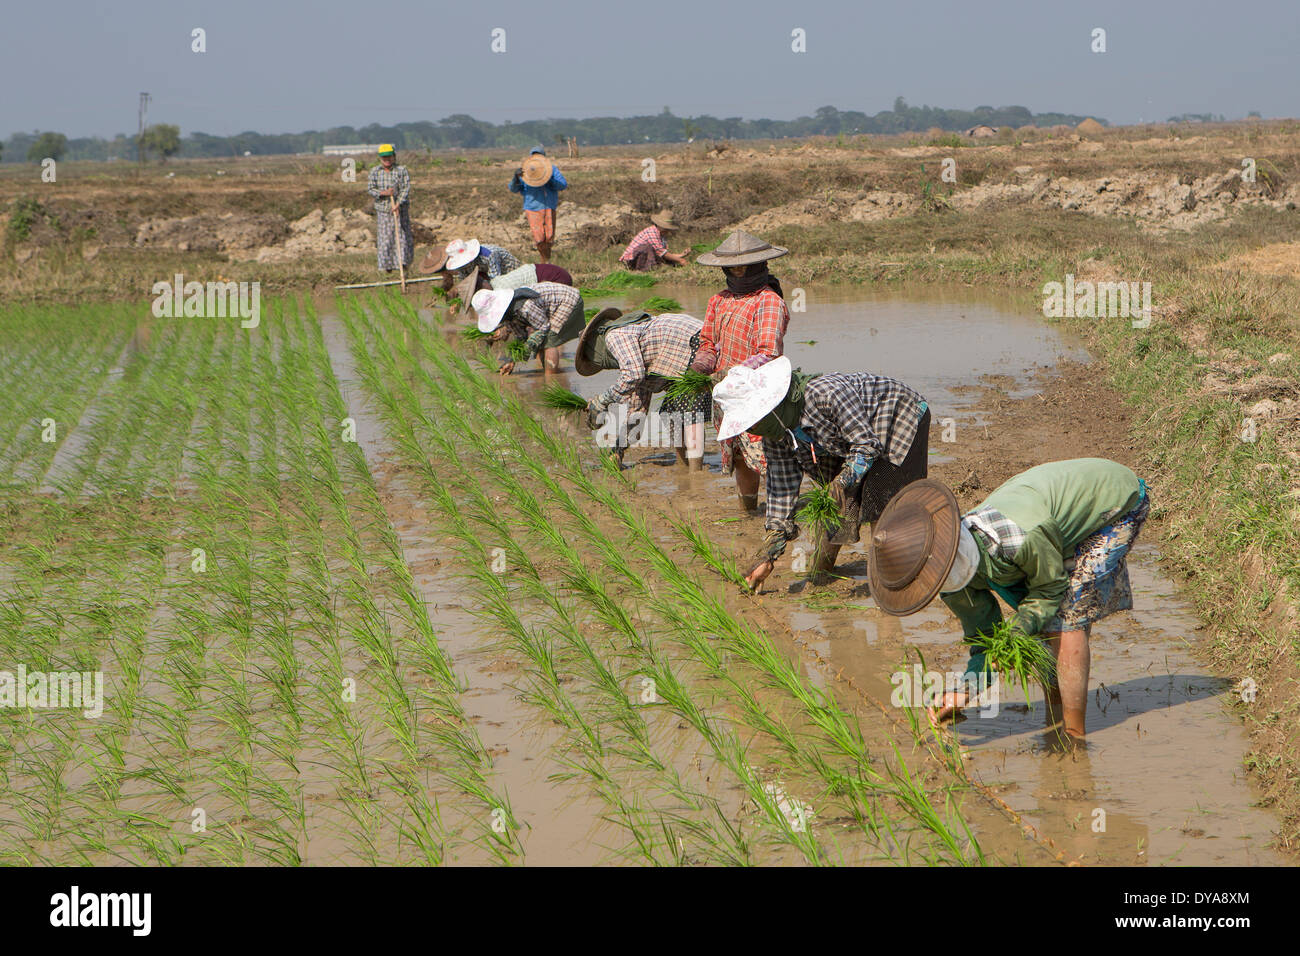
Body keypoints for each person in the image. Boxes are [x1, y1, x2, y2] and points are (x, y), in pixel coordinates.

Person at [866, 459, 1152, 741]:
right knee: (1039, 622)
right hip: (1050, 523)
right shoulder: (951, 581)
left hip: (1115, 500)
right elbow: (985, 642)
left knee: (1065, 619)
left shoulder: (1020, 537)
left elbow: (1050, 589)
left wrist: (1016, 631)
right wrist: (966, 689)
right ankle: (1054, 707)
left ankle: (1073, 735)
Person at [711, 357, 931, 590]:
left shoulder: (825, 395)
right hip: (848, 440)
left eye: (752, 423)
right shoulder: (777, 435)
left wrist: (842, 483)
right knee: (832, 501)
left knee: (879, 500)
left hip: (899, 416)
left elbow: (866, 446)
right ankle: (821, 571)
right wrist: (768, 553)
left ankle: (890, 580)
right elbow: (781, 491)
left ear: (769, 408)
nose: (751, 430)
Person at [696, 229, 791, 513]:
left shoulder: (768, 300)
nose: (738, 272)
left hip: (760, 392)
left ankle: (778, 512)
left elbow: (768, 353)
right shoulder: (719, 301)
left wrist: (735, 374)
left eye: (744, 267)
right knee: (738, 453)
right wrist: (702, 363)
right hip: (727, 394)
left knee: (765, 453)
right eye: (733, 267)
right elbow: (708, 341)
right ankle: (748, 510)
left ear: (760, 266)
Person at [574, 308, 717, 469]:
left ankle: (695, 475)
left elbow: (632, 375)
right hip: (689, 349)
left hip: (697, 343)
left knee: (689, 412)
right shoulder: (638, 357)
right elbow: (637, 413)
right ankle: (684, 469)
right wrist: (618, 449)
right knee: (672, 414)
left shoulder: (615, 336)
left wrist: (602, 400)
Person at [471, 282, 585, 374]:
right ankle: (547, 373)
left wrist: (529, 346)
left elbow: (544, 327)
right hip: (552, 306)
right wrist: (512, 360)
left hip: (568, 300)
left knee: (550, 341)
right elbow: (520, 335)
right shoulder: (509, 312)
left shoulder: (524, 306)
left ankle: (551, 380)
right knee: (541, 342)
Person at [509, 146, 567, 263]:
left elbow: (562, 184)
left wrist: (548, 178)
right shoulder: (525, 171)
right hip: (532, 207)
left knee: (549, 237)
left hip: (549, 206)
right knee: (539, 238)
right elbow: (513, 189)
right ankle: (544, 260)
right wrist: (515, 177)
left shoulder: (552, 169)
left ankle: (546, 260)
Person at [366, 144, 412, 273]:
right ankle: (387, 268)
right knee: (386, 239)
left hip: (400, 210)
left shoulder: (401, 170)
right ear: (380, 158)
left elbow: (405, 188)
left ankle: (403, 265)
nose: (387, 159)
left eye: (389, 157)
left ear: (394, 157)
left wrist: (398, 204)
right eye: (384, 157)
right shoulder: (375, 172)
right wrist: (384, 193)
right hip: (383, 210)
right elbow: (371, 189)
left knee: (402, 237)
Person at [419, 239, 523, 290]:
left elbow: (497, 283)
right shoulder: (462, 266)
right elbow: (465, 283)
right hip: (490, 277)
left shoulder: (489, 255)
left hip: (511, 274)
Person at [619, 211, 689, 271]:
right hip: (631, 260)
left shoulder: (661, 236)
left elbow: (662, 253)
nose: (667, 230)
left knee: (663, 258)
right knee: (647, 247)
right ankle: (642, 270)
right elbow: (662, 253)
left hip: (643, 258)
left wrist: (682, 255)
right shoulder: (652, 232)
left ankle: (650, 268)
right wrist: (681, 260)